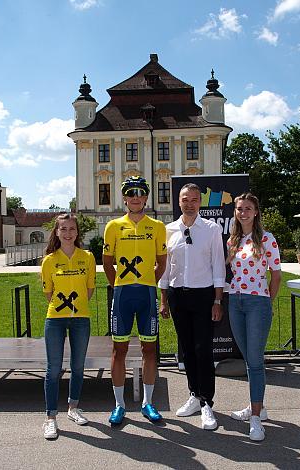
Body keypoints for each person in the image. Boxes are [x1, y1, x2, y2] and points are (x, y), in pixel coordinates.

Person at [159, 183, 225, 430]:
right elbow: (166, 269)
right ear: (179, 201)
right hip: (178, 296)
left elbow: (219, 267)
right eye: (185, 199)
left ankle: (207, 402)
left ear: (200, 202)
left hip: (204, 296)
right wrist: (164, 299)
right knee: (186, 349)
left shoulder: (211, 229)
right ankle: (193, 395)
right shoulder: (169, 230)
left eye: (194, 200)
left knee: (203, 350)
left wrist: (217, 300)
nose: (190, 203)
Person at [103, 176, 167, 425]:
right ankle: (119, 404)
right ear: (125, 198)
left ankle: (148, 402)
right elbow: (108, 263)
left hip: (147, 294)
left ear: (146, 197)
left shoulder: (157, 226)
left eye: (140, 193)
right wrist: (118, 285)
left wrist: (149, 281)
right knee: (119, 350)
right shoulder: (113, 226)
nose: (136, 197)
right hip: (123, 294)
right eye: (131, 193)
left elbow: (161, 263)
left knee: (149, 349)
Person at [227, 193, 281, 441]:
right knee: (249, 359)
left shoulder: (267, 239)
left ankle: (256, 419)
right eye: (239, 209)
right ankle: (257, 405)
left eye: (248, 208)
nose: (243, 212)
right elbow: (228, 269)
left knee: (256, 361)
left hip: (257, 301)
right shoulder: (233, 240)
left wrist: (267, 302)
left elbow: (276, 276)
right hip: (235, 302)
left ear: (256, 212)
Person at [41, 213, 96, 439]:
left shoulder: (88, 257)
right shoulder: (49, 260)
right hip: (55, 318)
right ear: (56, 232)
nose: (67, 233)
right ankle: (50, 418)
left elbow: (89, 289)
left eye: (72, 229)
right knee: (53, 369)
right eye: (63, 229)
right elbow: (48, 293)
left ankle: (73, 408)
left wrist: (78, 306)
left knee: (78, 366)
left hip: (81, 318)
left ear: (77, 232)